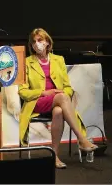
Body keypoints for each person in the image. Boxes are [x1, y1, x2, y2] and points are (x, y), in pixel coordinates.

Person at [18, 28, 98, 169]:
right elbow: (23, 92)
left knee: (59, 111)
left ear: (48, 42)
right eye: (34, 42)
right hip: (36, 102)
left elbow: (67, 87)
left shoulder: (58, 60)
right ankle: (82, 139)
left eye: (40, 40)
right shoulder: (26, 62)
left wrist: (62, 94)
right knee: (61, 97)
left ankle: (54, 156)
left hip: (58, 101)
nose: (37, 44)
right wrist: (43, 93)